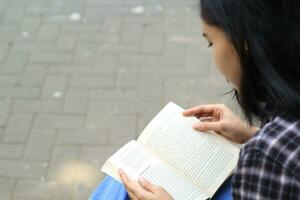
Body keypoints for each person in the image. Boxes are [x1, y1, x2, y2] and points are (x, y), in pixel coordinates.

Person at [118, 0, 300, 199]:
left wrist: (263, 144)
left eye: (211, 42)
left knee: (118, 188)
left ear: (244, 42)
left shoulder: (265, 159)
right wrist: (252, 134)